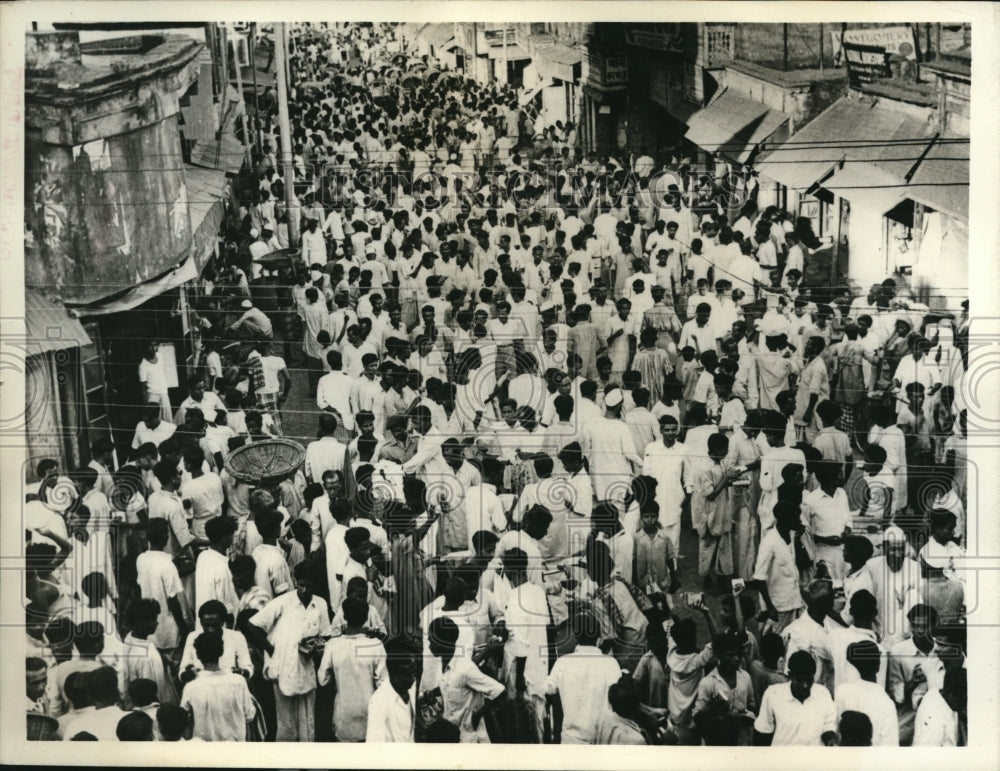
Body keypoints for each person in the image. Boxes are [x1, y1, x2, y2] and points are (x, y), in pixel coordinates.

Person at [246, 562, 332, 741]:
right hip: (283, 666)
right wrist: (271, 650)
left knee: (307, 717)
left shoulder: (320, 604)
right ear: (295, 581)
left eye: (309, 585)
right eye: (301, 584)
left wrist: (316, 648)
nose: (304, 589)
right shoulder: (283, 602)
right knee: (286, 720)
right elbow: (252, 625)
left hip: (307, 666)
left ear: (316, 584)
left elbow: (325, 635)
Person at [543, 610, 623, 744]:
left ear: (575, 634)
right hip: (603, 741)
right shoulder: (610, 664)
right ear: (599, 636)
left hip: (571, 741)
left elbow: (547, 689)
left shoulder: (563, 662)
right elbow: (619, 697)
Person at [316, 597, 387, 742]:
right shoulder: (375, 645)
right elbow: (383, 683)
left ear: (344, 617)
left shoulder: (332, 645)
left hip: (343, 713)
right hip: (370, 712)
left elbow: (323, 680)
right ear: (366, 618)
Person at [428, 616, 506, 743]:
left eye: (432, 641)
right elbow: (454, 685)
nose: (430, 646)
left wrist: (474, 719)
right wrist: (433, 693)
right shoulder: (442, 666)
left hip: (469, 739)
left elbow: (500, 691)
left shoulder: (465, 668)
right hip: (450, 735)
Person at [180, 631, 257, 741]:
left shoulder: (191, 687)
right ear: (221, 652)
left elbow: (183, 719)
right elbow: (249, 715)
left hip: (204, 750)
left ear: (197, 655)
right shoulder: (238, 681)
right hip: (235, 748)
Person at [753, 651, 837, 746]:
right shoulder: (773, 694)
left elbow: (829, 725)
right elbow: (763, 730)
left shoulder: (823, 693)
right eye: (800, 680)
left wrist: (831, 740)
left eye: (809, 680)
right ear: (790, 675)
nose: (805, 685)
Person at [692, 632, 756, 745]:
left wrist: (747, 717)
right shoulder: (708, 683)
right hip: (716, 742)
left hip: (742, 742)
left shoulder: (745, 677)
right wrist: (714, 712)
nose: (736, 659)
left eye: (738, 655)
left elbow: (751, 705)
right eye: (730, 655)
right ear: (719, 655)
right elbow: (697, 717)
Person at [834, 640, 899, 746]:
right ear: (878, 663)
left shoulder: (842, 691)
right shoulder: (886, 702)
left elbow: (835, 730)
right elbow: (890, 746)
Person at [365, 637, 419, 743]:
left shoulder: (411, 686)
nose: (413, 678)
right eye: (407, 674)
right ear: (392, 672)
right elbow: (374, 746)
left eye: (414, 672)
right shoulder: (378, 702)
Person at [912, 667, 966, 747]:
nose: (965, 703)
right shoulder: (934, 724)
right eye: (963, 698)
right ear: (949, 693)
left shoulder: (937, 694)